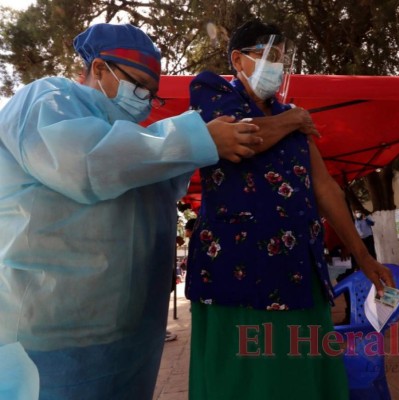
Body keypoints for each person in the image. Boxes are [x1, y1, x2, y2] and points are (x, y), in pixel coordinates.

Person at [0, 23, 263, 399]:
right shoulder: (46, 99)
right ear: (99, 69)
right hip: (48, 339)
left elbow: (153, 180)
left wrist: (195, 147)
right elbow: (85, 163)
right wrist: (197, 137)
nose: (144, 100)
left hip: (130, 337)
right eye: (138, 85)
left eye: (151, 94)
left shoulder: (140, 140)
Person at [185, 19, 393, 400]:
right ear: (238, 59)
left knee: (302, 373)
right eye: (269, 56)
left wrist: (363, 256)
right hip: (238, 267)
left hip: (299, 265)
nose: (278, 66)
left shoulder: (291, 113)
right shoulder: (210, 89)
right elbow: (247, 137)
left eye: (282, 57)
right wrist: (295, 119)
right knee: (247, 377)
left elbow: (325, 188)